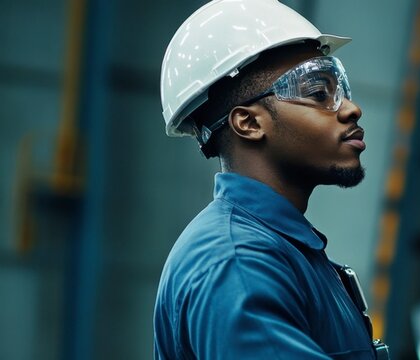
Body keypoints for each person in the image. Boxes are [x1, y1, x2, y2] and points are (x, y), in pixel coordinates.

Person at [153, 1, 387, 359]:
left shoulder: (281, 250)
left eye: (340, 89)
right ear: (249, 123)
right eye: (317, 93)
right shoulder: (237, 265)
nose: (351, 109)